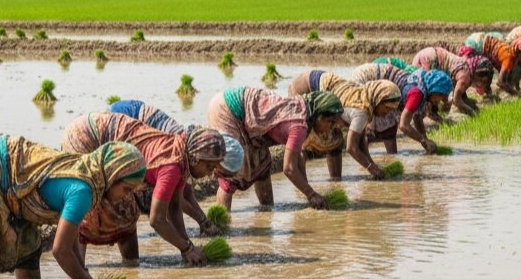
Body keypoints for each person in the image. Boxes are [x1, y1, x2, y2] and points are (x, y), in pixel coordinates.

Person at [0, 136, 146, 279]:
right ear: (112, 175)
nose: (126, 196)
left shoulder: (89, 175)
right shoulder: (83, 191)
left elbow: (71, 237)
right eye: (126, 189)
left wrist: (83, 276)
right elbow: (60, 250)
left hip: (15, 186)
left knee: (28, 250)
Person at [61, 112, 227, 263]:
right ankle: (79, 270)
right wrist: (187, 248)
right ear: (196, 157)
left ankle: (130, 264)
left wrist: (186, 247)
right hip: (86, 136)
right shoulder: (172, 166)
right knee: (96, 208)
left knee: (125, 211)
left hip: (102, 127)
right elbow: (157, 219)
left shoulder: (182, 154)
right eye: (209, 166)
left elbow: (175, 206)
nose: (211, 173)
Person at [109, 99, 244, 236]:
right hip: (126, 118)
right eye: (221, 171)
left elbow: (185, 194)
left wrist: (203, 222)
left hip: (134, 113)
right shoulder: (184, 153)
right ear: (216, 160)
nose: (215, 175)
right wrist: (202, 223)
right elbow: (175, 199)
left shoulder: (194, 151)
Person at [206, 86, 346, 211]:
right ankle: (222, 223)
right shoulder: (299, 125)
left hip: (247, 117)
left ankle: (266, 211)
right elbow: (289, 169)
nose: (330, 128)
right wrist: (311, 194)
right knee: (233, 171)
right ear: (319, 116)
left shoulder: (302, 110)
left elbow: (297, 160)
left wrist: (306, 193)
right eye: (330, 122)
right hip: (228, 109)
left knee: (262, 165)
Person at [287, 69, 402, 179]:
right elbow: (351, 147)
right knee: (306, 141)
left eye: (392, 110)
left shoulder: (365, 98)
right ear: (378, 100)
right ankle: (304, 186)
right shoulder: (362, 112)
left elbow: (361, 142)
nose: (387, 113)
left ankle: (335, 181)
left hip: (319, 80)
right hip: (307, 87)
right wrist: (370, 168)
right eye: (387, 108)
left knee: (335, 142)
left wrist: (372, 165)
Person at [351, 63, 452, 153]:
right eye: (441, 96)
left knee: (389, 129)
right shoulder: (417, 93)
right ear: (435, 90)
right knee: (374, 124)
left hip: (376, 79)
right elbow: (404, 125)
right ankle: (357, 149)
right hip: (365, 78)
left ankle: (387, 157)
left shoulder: (422, 86)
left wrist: (425, 139)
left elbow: (417, 117)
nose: (441, 101)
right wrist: (423, 140)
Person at [411, 46, 493, 116]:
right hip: (428, 60)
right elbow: (456, 100)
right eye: (482, 80)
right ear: (476, 73)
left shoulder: (465, 65)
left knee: (438, 95)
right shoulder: (465, 76)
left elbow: (461, 96)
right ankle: (428, 116)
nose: (481, 83)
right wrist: (474, 114)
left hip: (428, 54)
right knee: (428, 94)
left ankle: (432, 114)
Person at [464, 31, 521, 97]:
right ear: (518, 51)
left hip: (480, 39)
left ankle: (488, 94)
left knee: (487, 74)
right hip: (477, 44)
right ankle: (463, 96)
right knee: (474, 74)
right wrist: (516, 93)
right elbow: (500, 82)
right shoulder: (509, 57)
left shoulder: (511, 53)